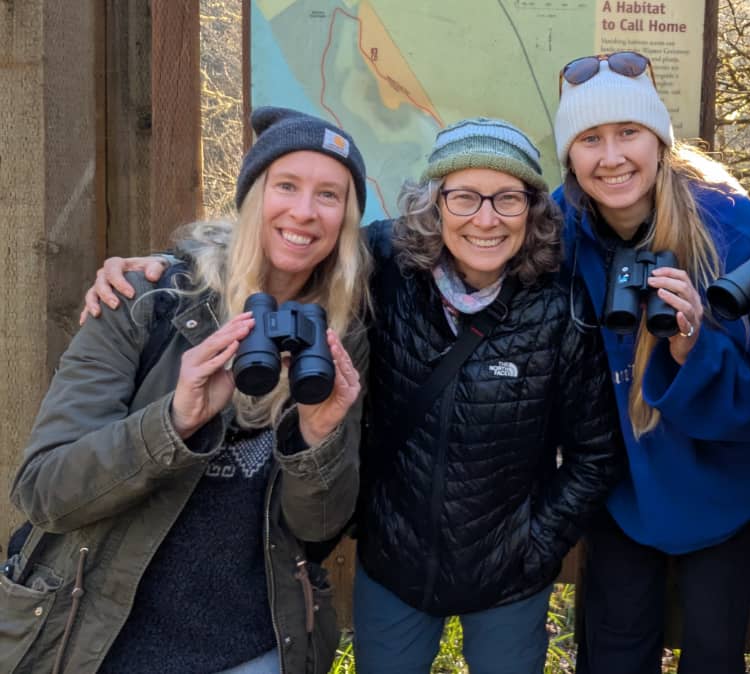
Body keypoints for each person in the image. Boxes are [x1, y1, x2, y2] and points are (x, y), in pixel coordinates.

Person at [80, 117, 625, 674]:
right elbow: (286, 242)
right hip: (394, 564)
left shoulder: (562, 307)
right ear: (434, 206)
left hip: (510, 575)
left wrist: (535, 545)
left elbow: (595, 453)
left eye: (507, 199)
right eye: (463, 197)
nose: (485, 219)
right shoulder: (384, 266)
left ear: (533, 211)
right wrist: (163, 267)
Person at [6, 107, 371, 673]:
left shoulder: (338, 335)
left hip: (252, 647)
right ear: (252, 195)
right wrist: (173, 422)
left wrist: (316, 443)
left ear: (347, 219)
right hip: (104, 645)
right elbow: (43, 492)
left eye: (329, 195)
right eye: (287, 186)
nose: (304, 211)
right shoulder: (144, 299)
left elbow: (316, 533)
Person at [552, 51, 750, 672]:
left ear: (659, 141)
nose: (612, 157)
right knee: (614, 654)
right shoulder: (559, 232)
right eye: (590, 139)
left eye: (628, 132)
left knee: (713, 654)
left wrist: (692, 349)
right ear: (570, 156)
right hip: (619, 481)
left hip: (724, 480)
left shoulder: (731, 227)